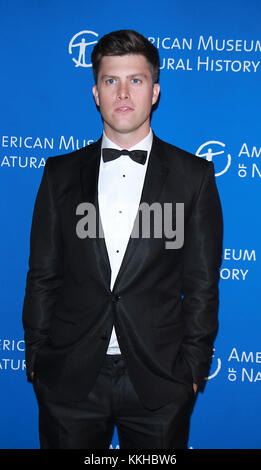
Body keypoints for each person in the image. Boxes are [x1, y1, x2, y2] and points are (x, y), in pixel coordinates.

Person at [22, 29, 223, 449]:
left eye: (137, 80)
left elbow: (201, 286)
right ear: (96, 92)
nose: (124, 93)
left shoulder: (194, 177)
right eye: (112, 81)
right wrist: (38, 361)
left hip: (158, 382)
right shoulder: (59, 175)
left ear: (155, 92)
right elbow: (43, 275)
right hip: (70, 380)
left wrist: (191, 372)